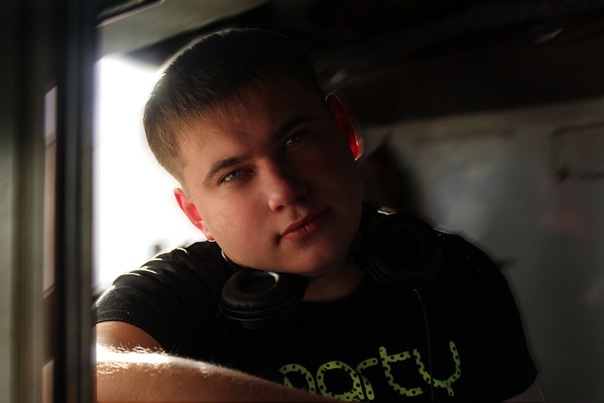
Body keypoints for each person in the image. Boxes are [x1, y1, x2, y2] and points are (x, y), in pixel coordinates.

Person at [94, 28, 543, 401]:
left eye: (295, 140)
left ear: (345, 130)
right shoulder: (177, 293)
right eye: (234, 175)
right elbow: (84, 373)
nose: (284, 191)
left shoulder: (459, 272)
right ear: (196, 215)